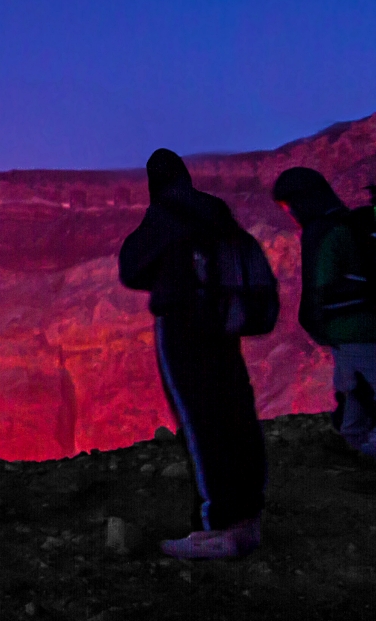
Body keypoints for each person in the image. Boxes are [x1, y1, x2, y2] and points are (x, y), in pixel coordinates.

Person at [119, 148, 268, 560]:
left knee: (200, 422)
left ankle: (214, 528)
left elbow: (131, 266)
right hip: (224, 327)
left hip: (184, 327)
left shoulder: (165, 213)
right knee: (236, 413)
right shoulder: (216, 211)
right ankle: (247, 521)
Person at [271, 168, 376, 472]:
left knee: (374, 386)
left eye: (290, 205)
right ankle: (356, 445)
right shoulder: (348, 224)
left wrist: (314, 320)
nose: (291, 212)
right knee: (351, 384)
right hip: (368, 320)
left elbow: (320, 281)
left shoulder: (324, 231)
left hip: (349, 325)